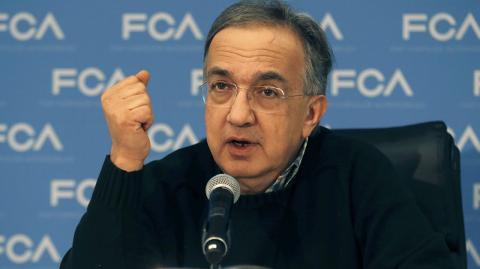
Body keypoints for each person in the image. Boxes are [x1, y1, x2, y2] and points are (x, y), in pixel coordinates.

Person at [61, 1, 455, 268]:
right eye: (221, 86)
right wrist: (125, 161)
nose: (238, 114)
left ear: (311, 113)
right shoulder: (166, 183)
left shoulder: (357, 175)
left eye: (268, 92)